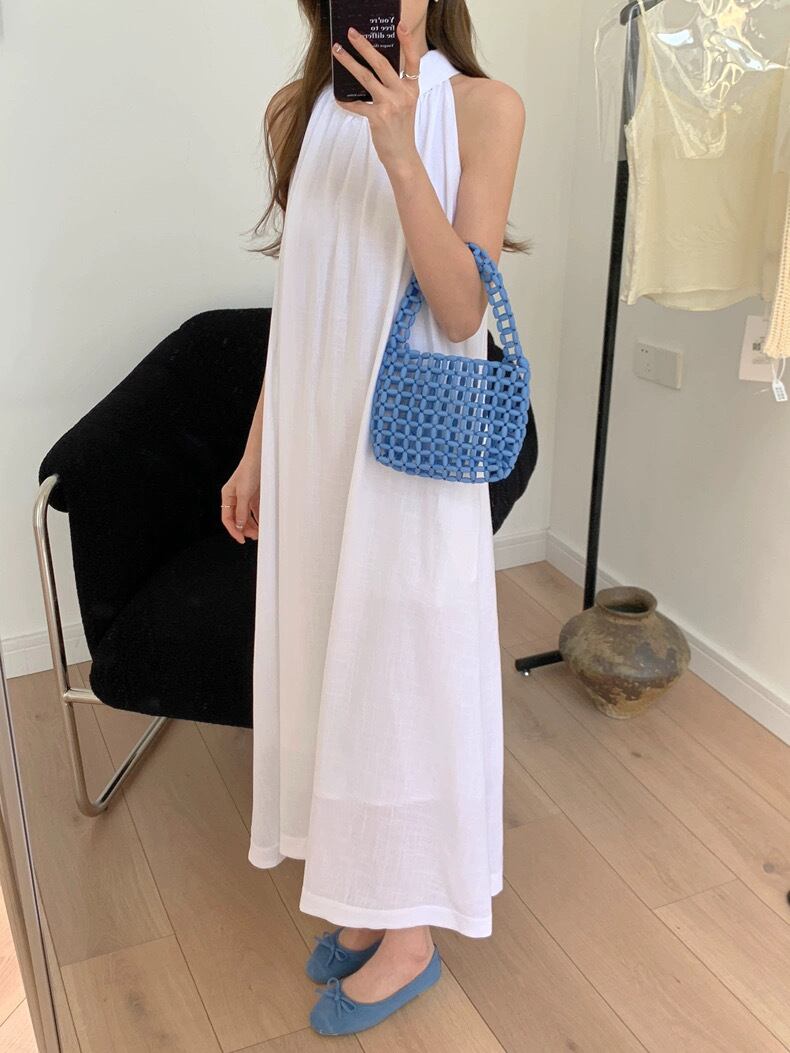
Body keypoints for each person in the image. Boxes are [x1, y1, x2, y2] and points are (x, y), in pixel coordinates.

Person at [221, 0, 528, 1036]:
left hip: (408, 446)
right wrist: (257, 449)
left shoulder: (486, 109)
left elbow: (462, 311)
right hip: (313, 441)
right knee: (329, 664)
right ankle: (366, 892)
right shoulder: (296, 110)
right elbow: (300, 299)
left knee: (403, 674)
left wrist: (400, 152)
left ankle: (412, 935)